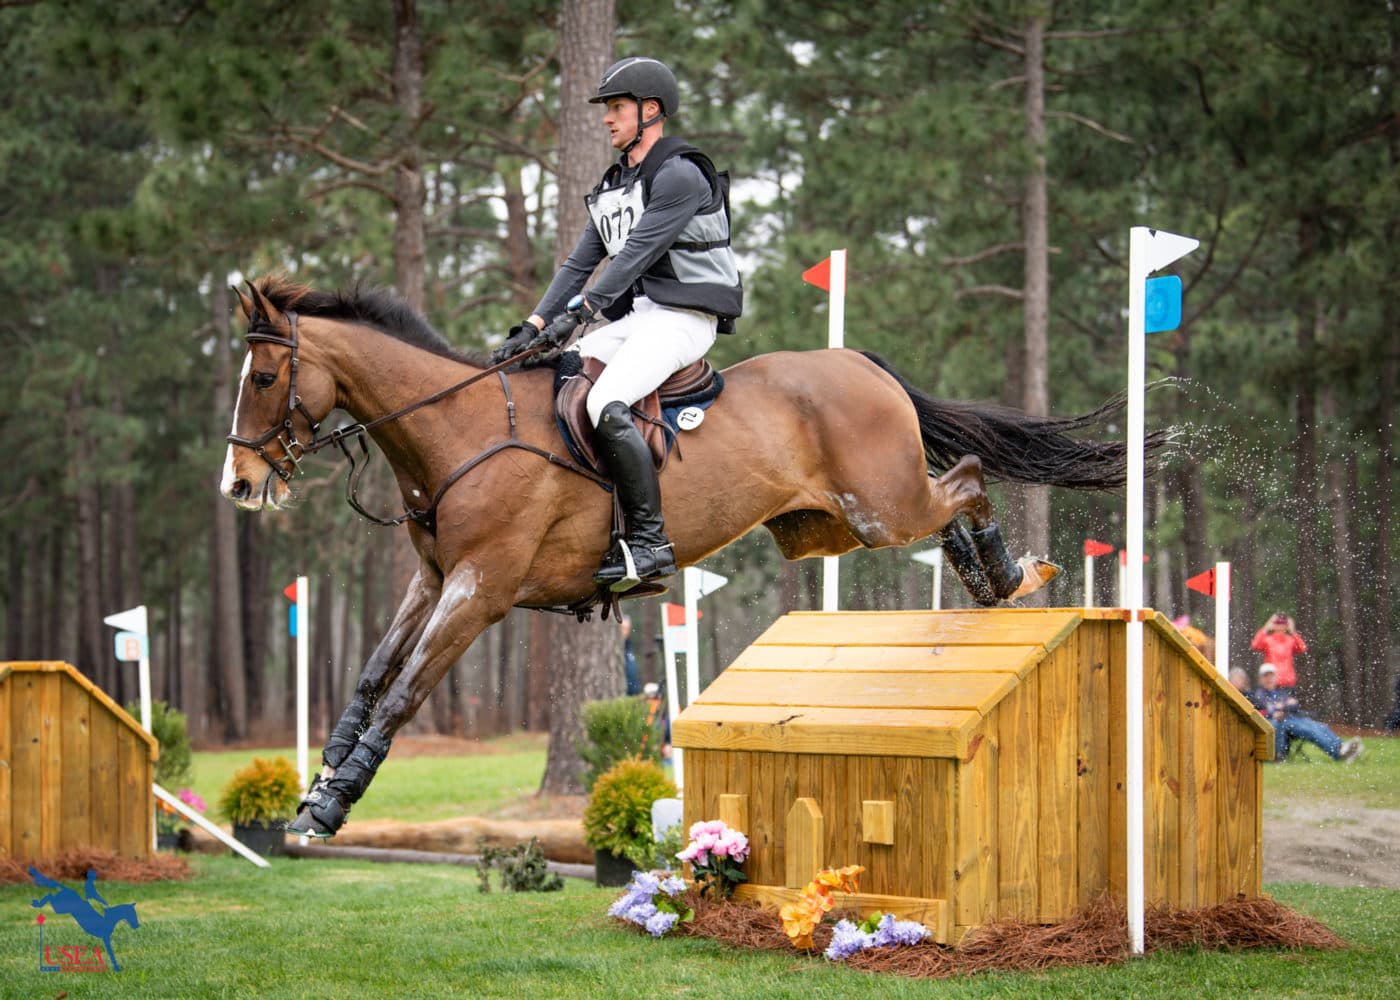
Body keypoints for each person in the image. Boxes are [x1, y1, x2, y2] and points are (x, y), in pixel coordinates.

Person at [492, 56, 742, 591]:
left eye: (617, 108)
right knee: (563, 368)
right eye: (608, 109)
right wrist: (533, 325)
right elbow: (581, 262)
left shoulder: (679, 175)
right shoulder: (615, 182)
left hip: (684, 319)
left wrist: (579, 313)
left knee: (606, 403)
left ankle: (650, 543)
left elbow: (631, 258)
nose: (607, 119)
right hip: (644, 315)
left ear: (650, 111)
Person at [1247, 663, 1362, 763]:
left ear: (1276, 677)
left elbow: (1294, 705)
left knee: (1320, 727)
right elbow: (1269, 710)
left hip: (1293, 718)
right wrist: (1282, 707)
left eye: (1271, 675)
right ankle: (1338, 754)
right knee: (1311, 731)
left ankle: (1342, 747)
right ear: (1260, 679)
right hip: (1281, 722)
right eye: (1265, 676)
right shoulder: (1259, 694)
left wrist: (1282, 706)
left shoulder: (1281, 692)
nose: (1269, 679)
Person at [1250, 612, 1307, 690]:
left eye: (1283, 623)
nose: (1280, 626)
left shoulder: (1290, 640)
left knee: (1288, 701)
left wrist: (1293, 631)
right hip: (1271, 681)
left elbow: (1302, 648)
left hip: (1288, 681)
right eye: (1277, 622)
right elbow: (1255, 645)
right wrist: (1266, 628)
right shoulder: (1268, 640)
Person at [620, 614, 641, 696]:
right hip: (622, 695)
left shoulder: (629, 646)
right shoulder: (615, 649)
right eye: (623, 628)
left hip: (633, 695)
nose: (625, 632)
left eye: (627, 629)